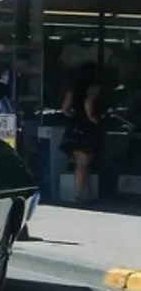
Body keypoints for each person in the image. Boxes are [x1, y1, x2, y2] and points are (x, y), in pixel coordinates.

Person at [60, 62, 103, 203]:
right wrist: (92, 118)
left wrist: (75, 117)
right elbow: (88, 101)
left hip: (74, 127)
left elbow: (64, 109)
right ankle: (79, 194)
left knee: (80, 164)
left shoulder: (73, 88)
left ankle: (85, 193)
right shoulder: (93, 87)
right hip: (86, 128)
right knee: (84, 164)